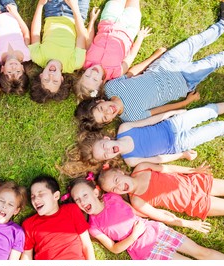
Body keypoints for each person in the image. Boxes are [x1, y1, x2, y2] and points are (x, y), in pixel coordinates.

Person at [74, 7, 224, 131]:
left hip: (164, 64)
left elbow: (133, 72)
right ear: (109, 121)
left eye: (101, 109)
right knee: (214, 61)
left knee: (194, 41)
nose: (108, 111)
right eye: (106, 117)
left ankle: (221, 24)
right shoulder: (131, 117)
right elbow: (162, 110)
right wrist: (185, 102)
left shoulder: (111, 87)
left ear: (100, 101)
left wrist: (155, 56)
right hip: (182, 82)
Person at [68, 176, 224, 259]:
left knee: (202, 252)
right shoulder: (94, 227)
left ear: (95, 192)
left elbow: (133, 211)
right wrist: (134, 235)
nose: (83, 201)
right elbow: (115, 249)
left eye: (85, 195)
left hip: (157, 232)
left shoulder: (112, 197)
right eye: (78, 200)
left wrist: (158, 214)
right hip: (146, 252)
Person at [77, 102, 224, 167]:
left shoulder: (124, 128)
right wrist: (182, 155)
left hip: (173, 124)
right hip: (179, 144)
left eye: (104, 146)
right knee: (214, 130)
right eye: (105, 154)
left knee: (208, 111)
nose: (108, 150)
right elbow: (158, 159)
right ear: (107, 159)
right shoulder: (131, 160)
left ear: (106, 138)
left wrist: (172, 113)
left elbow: (150, 120)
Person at [97, 162, 224, 233]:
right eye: (114, 189)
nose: (118, 186)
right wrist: (189, 224)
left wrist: (193, 170)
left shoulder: (141, 168)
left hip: (194, 182)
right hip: (194, 203)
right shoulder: (137, 200)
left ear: (120, 172)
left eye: (116, 180)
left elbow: (167, 168)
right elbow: (162, 216)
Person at [73, 0, 152, 100]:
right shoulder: (116, 72)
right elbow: (131, 55)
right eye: (95, 79)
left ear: (82, 74)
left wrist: (92, 20)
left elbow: (89, 39)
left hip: (108, 20)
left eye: (87, 75)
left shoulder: (86, 61)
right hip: (128, 28)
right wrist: (140, 37)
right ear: (101, 83)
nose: (92, 73)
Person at [21, 175, 95, 260]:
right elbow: (27, 256)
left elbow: (87, 245)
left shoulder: (72, 210)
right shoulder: (29, 224)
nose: (35, 199)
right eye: (32, 196)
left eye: (40, 194)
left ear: (56, 196)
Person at [28, 0, 89, 103]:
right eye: (55, 81)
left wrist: (40, 4)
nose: (51, 76)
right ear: (61, 79)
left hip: (53, 10)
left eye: (46, 80)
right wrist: (74, 8)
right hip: (77, 14)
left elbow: (35, 32)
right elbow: (81, 36)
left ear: (41, 76)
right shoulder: (74, 63)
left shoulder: (37, 57)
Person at [0, 0, 31, 95]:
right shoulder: (27, 54)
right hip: (10, 9)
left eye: (10, 72)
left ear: (2, 70)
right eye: (18, 71)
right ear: (23, 69)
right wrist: (15, 13)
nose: (13, 67)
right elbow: (25, 32)